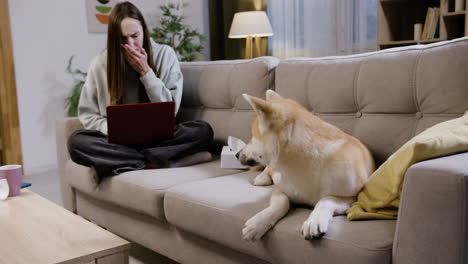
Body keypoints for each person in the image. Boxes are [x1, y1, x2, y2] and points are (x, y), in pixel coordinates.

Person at [68, 1, 213, 182]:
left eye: (135, 36)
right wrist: (111, 129)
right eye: (122, 40)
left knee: (202, 130)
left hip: (160, 140)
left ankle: (126, 162)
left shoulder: (165, 54)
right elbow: (88, 114)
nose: (131, 45)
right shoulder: (100, 64)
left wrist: (146, 72)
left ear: (144, 30)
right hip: (119, 142)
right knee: (77, 141)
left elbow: (171, 110)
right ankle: (156, 162)